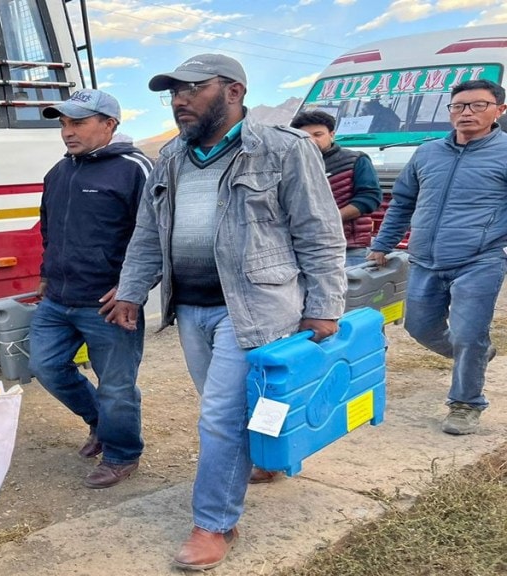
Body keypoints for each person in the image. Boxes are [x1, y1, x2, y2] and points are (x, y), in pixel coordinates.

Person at [105, 54, 346, 571]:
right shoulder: (171, 156)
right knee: (234, 411)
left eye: (192, 89)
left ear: (233, 91)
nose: (179, 100)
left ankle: (214, 523)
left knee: (219, 417)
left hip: (255, 309)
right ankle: (267, 461)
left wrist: (325, 306)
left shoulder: (284, 148)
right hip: (191, 310)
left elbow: (320, 232)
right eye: (173, 92)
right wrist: (131, 290)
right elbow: (148, 232)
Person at [28, 89, 153, 489]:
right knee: (45, 366)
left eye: (78, 123)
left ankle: (122, 454)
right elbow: (50, 229)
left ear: (109, 124)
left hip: (109, 304)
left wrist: (132, 288)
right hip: (58, 299)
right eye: (64, 123)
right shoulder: (58, 172)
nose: (67, 132)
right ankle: (100, 421)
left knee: (116, 386)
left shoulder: (135, 169)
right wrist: (46, 273)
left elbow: (156, 235)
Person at [368, 79, 507, 436]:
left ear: (500, 110)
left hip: (480, 260)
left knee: (468, 333)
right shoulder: (428, 153)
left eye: (478, 105)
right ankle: (474, 354)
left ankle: (465, 403)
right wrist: (383, 243)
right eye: (458, 106)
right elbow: (403, 202)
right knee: (419, 327)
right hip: (424, 259)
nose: (466, 112)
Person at [291, 110, 382, 266]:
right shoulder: (291, 164)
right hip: (302, 247)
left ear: (332, 135)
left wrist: (330, 219)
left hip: (348, 248)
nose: (311, 140)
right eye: (305, 136)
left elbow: (370, 198)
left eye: (318, 134)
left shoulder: (355, 160)